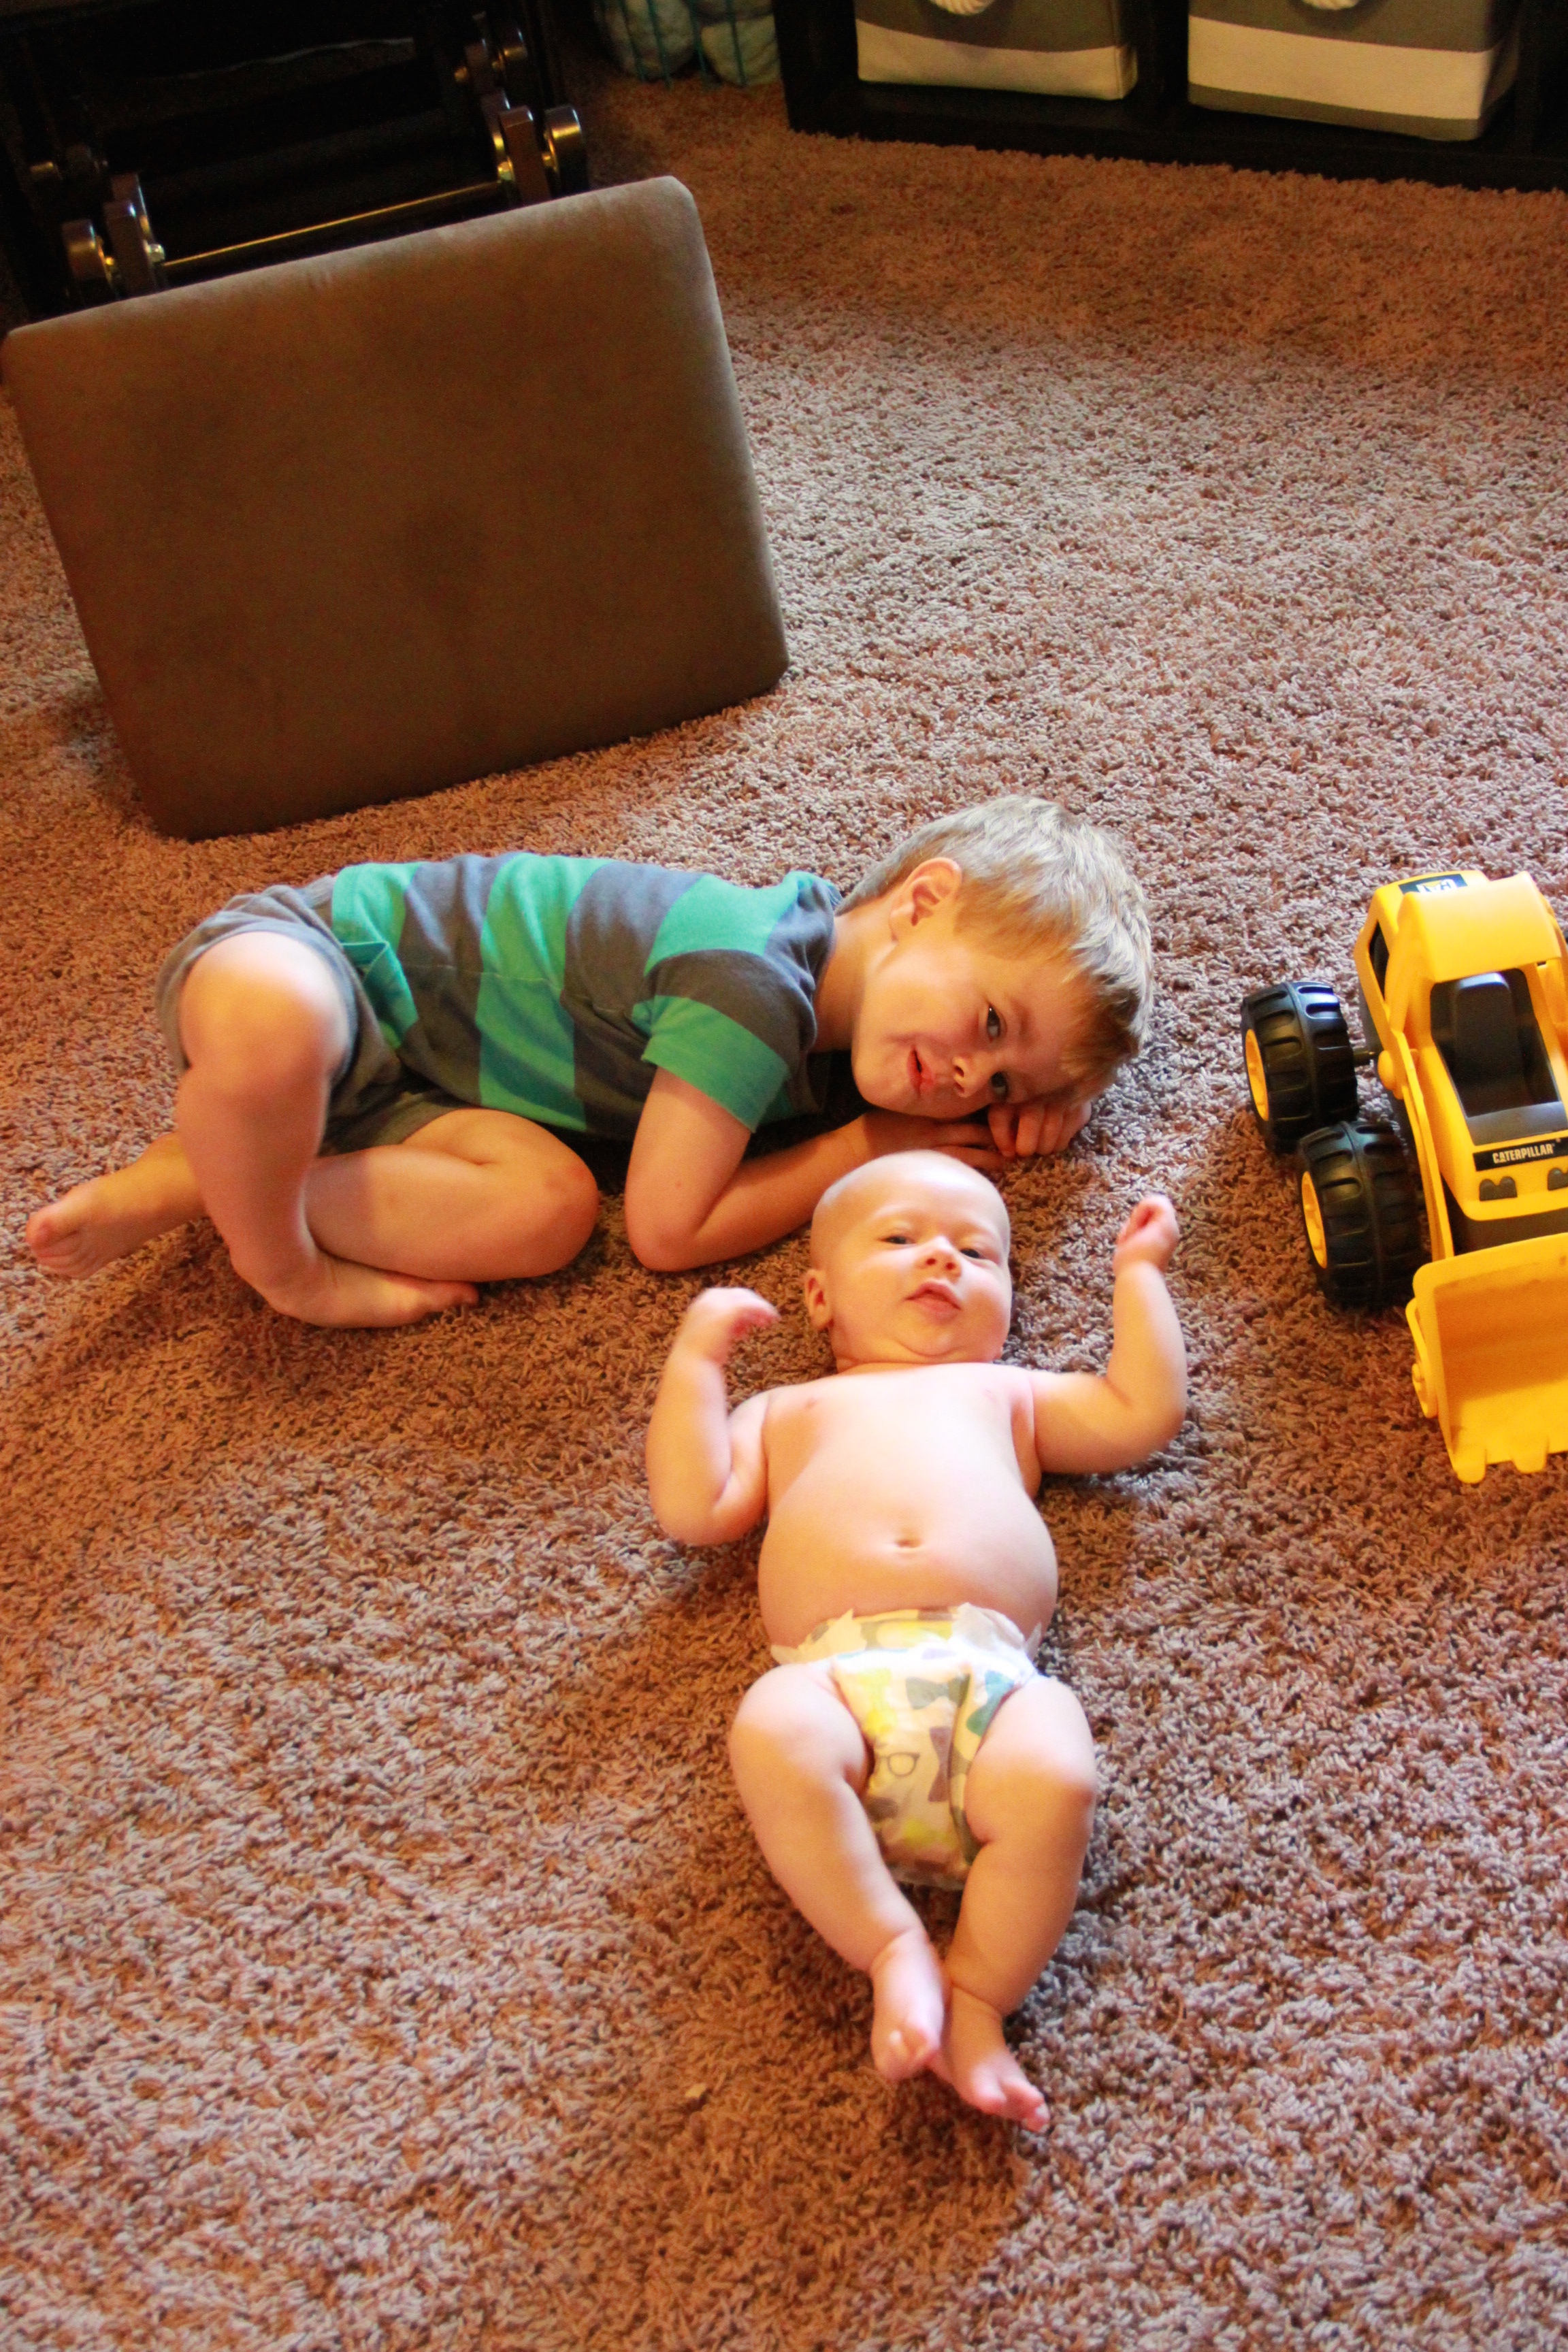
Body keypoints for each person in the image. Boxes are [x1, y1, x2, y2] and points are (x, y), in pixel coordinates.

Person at [26, 798, 1152, 1327]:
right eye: (990, 1026)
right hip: (325, 961)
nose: (967, 1084)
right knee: (275, 1029)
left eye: (1001, 1084)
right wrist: (868, 1147)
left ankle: (213, 1174)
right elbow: (669, 1230)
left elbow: (1022, 1044)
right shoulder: (754, 978)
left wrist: (1066, 1095)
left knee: (551, 1213)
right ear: (919, 901)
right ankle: (281, 1261)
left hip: (427, 1090)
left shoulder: (851, 1026)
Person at [645, 1152, 1185, 2129]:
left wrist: (1139, 1278)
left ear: (1007, 1302)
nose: (942, 1258)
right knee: (772, 1726)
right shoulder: (787, 1410)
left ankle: (977, 1996)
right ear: (820, 1299)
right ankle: (890, 1945)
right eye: (900, 1238)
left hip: (991, 1682)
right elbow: (694, 1508)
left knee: (1059, 1769)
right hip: (835, 1682)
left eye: (978, 1254)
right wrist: (697, 1367)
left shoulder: (1009, 1392)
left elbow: (1139, 1413)